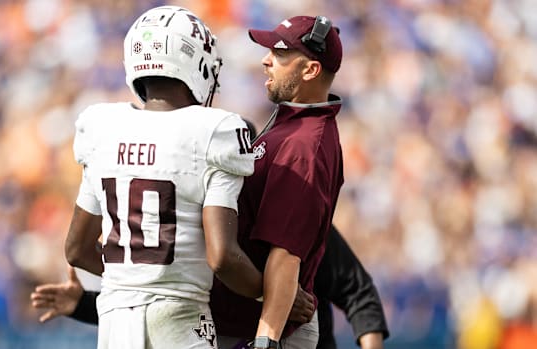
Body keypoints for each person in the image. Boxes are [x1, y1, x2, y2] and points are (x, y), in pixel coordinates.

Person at [63, 5, 268, 348]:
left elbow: (76, 249)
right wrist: (272, 293)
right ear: (198, 64)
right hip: (180, 315)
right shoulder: (214, 131)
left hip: (115, 319)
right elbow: (221, 257)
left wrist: (133, 276)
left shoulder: (102, 128)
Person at [208, 14, 346, 349]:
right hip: (249, 324)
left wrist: (265, 339)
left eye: (280, 54)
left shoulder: (303, 146)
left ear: (310, 70)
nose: (266, 60)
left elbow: (286, 253)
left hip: (267, 330)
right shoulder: (293, 128)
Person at [31, 225, 389, 349]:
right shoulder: (201, 234)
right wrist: (81, 304)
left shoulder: (292, 222)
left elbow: (358, 292)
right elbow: (163, 304)